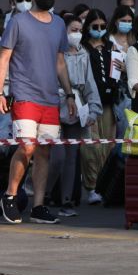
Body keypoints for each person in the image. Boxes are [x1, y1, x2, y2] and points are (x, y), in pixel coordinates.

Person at [0, 0, 77, 224]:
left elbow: (60, 63)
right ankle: (10, 196)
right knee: (27, 146)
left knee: (44, 152)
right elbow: (4, 59)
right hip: (24, 96)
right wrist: (0, 92)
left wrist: (69, 94)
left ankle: (38, 206)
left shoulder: (57, 25)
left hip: (50, 99)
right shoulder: (18, 22)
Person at [45, 15, 102, 217]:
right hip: (55, 104)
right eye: (73, 30)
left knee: (71, 156)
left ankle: (66, 201)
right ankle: (43, 192)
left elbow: (90, 83)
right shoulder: (54, 53)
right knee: (57, 157)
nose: (76, 35)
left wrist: (93, 109)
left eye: (79, 30)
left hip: (76, 108)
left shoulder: (84, 53)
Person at [80, 8, 119, 205]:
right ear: (88, 27)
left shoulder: (111, 47)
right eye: (95, 26)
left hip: (110, 101)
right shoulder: (83, 48)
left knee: (108, 144)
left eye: (103, 26)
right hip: (90, 102)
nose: (99, 30)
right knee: (91, 146)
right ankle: (91, 186)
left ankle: (104, 185)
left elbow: (119, 74)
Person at [107, 5, 136, 138]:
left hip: (131, 93)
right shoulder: (108, 40)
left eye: (130, 21)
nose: (127, 24)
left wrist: (127, 69)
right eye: (124, 21)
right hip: (113, 92)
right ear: (116, 21)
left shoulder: (134, 42)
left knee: (128, 131)